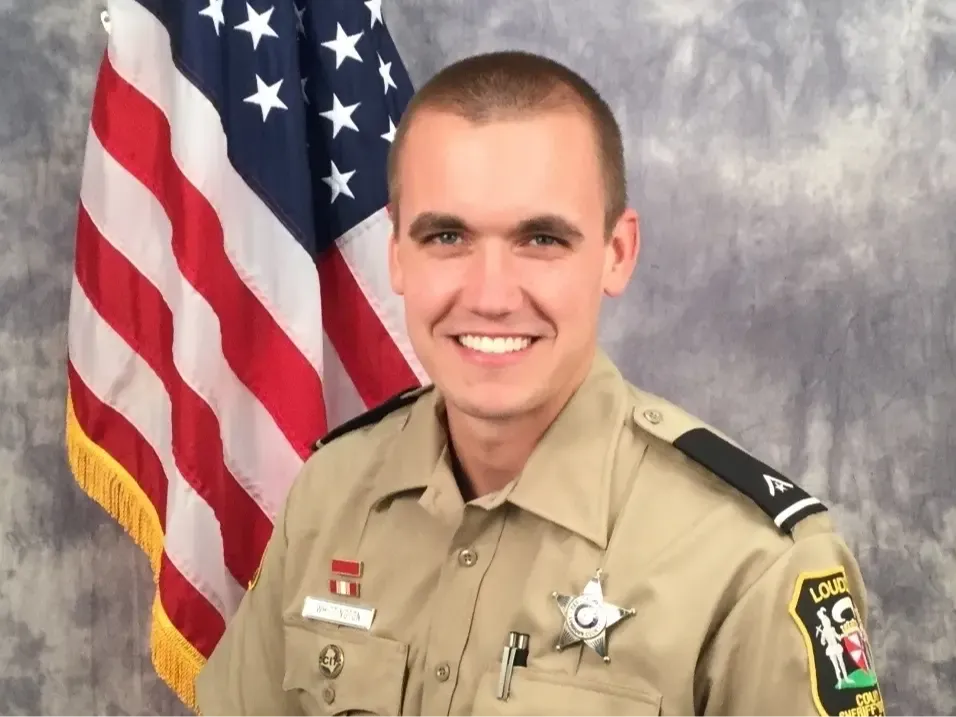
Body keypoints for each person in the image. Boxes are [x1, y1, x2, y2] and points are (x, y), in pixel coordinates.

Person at [195, 50, 885, 717]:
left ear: (617, 253)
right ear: (397, 254)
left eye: (542, 240)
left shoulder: (752, 563)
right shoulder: (332, 494)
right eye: (447, 237)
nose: (491, 297)